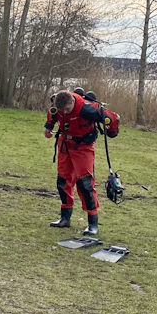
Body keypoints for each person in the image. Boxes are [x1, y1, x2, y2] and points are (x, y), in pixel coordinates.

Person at [44, 89, 103, 236]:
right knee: (62, 180)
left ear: (72, 102)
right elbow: (52, 114)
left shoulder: (87, 109)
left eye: (67, 109)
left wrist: (111, 129)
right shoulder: (57, 106)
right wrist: (49, 127)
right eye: (61, 110)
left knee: (85, 184)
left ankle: (92, 223)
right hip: (65, 143)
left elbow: (110, 119)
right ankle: (65, 217)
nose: (64, 112)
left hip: (83, 146)